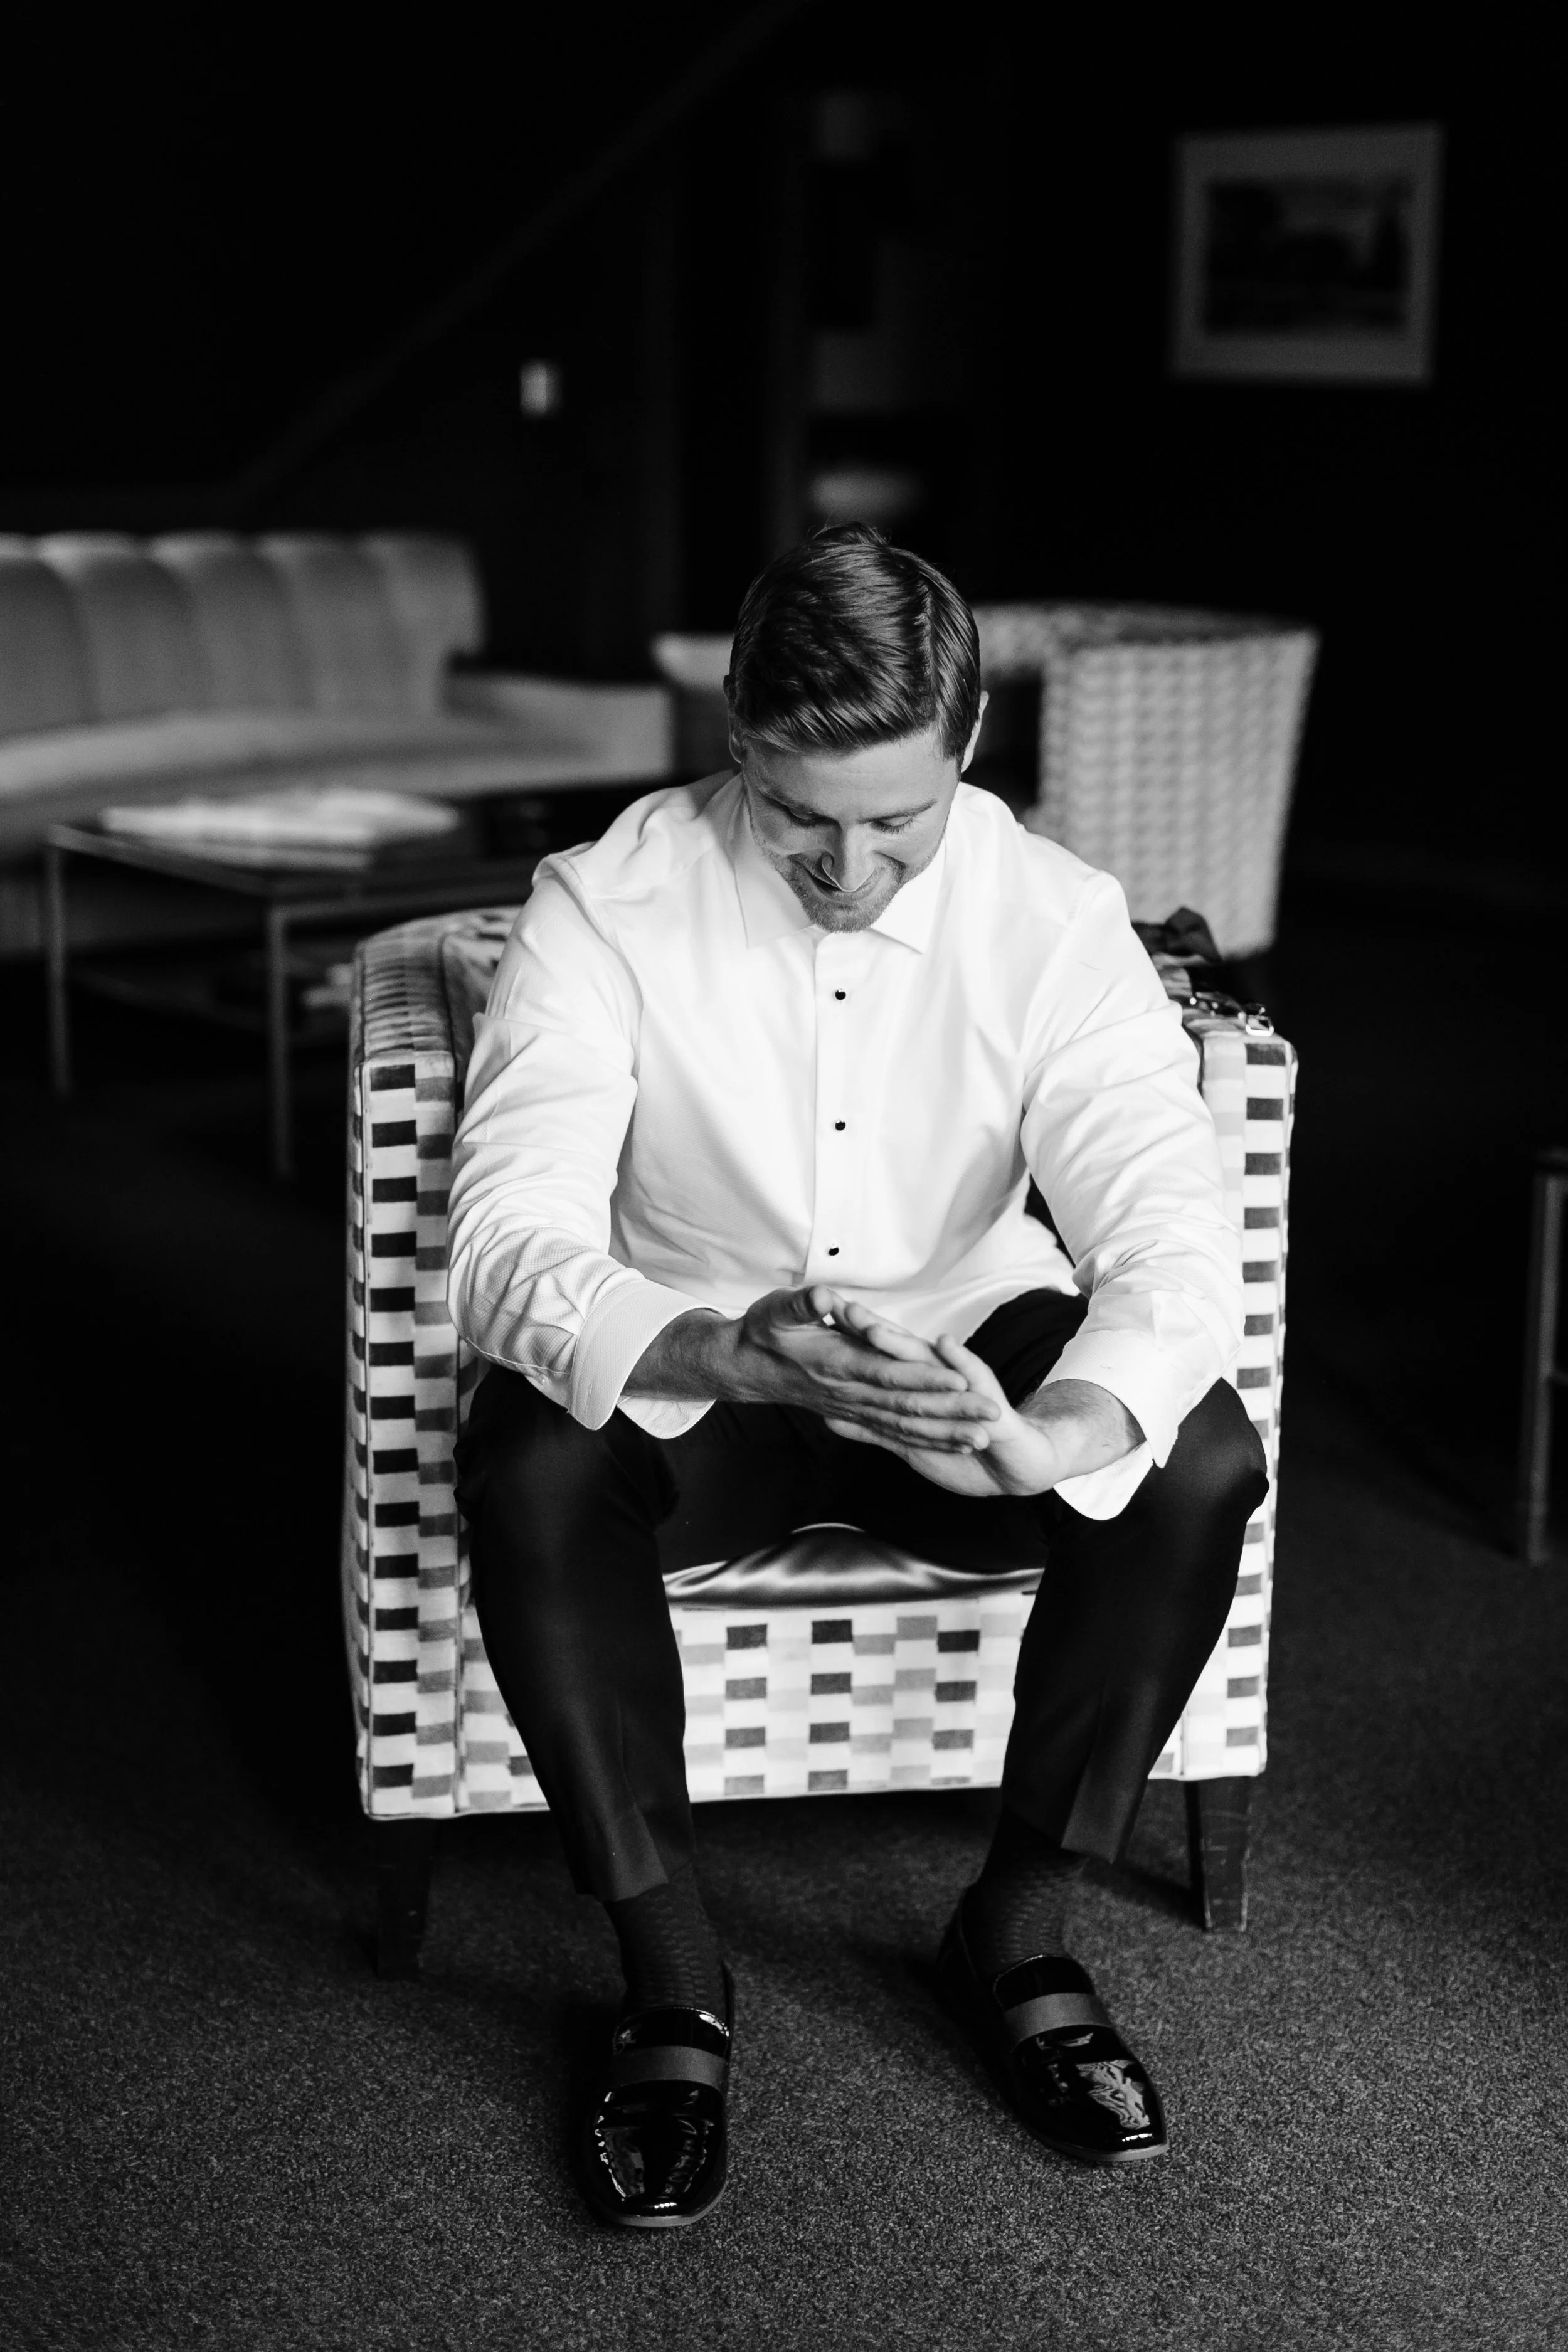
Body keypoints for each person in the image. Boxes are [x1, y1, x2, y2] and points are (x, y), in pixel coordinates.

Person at [448, 524, 1267, 2227]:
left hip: (956, 1352)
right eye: (798, 816)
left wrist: (1050, 1423)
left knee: (1191, 1454)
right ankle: (669, 1975)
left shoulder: (1054, 918)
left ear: (962, 751)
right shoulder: (600, 902)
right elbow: (504, 1229)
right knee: (524, 1452)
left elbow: (1173, 1229)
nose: (849, 868)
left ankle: (1019, 1930)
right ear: (734, 739)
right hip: (708, 1364)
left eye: (896, 819)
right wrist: (702, 1342)